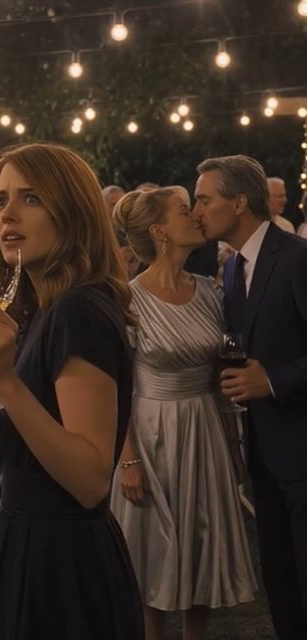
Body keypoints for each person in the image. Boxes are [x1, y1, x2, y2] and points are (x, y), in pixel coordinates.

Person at [0, 142, 144, 639]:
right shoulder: (44, 309)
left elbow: (90, 479)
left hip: (65, 563)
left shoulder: (78, 311)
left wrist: (5, 383)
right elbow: (46, 441)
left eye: (30, 198)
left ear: (72, 212)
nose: (7, 214)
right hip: (31, 541)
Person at [110, 187, 256, 640]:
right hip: (150, 433)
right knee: (151, 554)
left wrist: (232, 440)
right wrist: (127, 459)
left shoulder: (211, 291)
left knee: (201, 544)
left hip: (205, 429)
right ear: (159, 231)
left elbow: (220, 371)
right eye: (183, 210)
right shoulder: (128, 300)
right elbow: (117, 386)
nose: (196, 215)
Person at [194, 155, 307, 640]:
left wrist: (275, 381)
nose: (196, 211)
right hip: (263, 453)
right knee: (281, 582)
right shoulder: (233, 269)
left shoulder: (298, 258)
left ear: (239, 203)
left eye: (204, 200)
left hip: (302, 450)